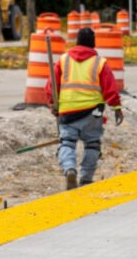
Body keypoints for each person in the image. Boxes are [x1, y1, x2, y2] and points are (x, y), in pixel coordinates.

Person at [45, 27, 123, 190]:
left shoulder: (63, 60)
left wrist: (53, 103)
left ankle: (70, 169)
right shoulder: (99, 62)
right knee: (92, 144)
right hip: (93, 112)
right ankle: (86, 177)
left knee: (67, 143)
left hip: (68, 112)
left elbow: (51, 86)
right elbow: (110, 88)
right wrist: (116, 107)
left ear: (77, 41)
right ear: (93, 43)